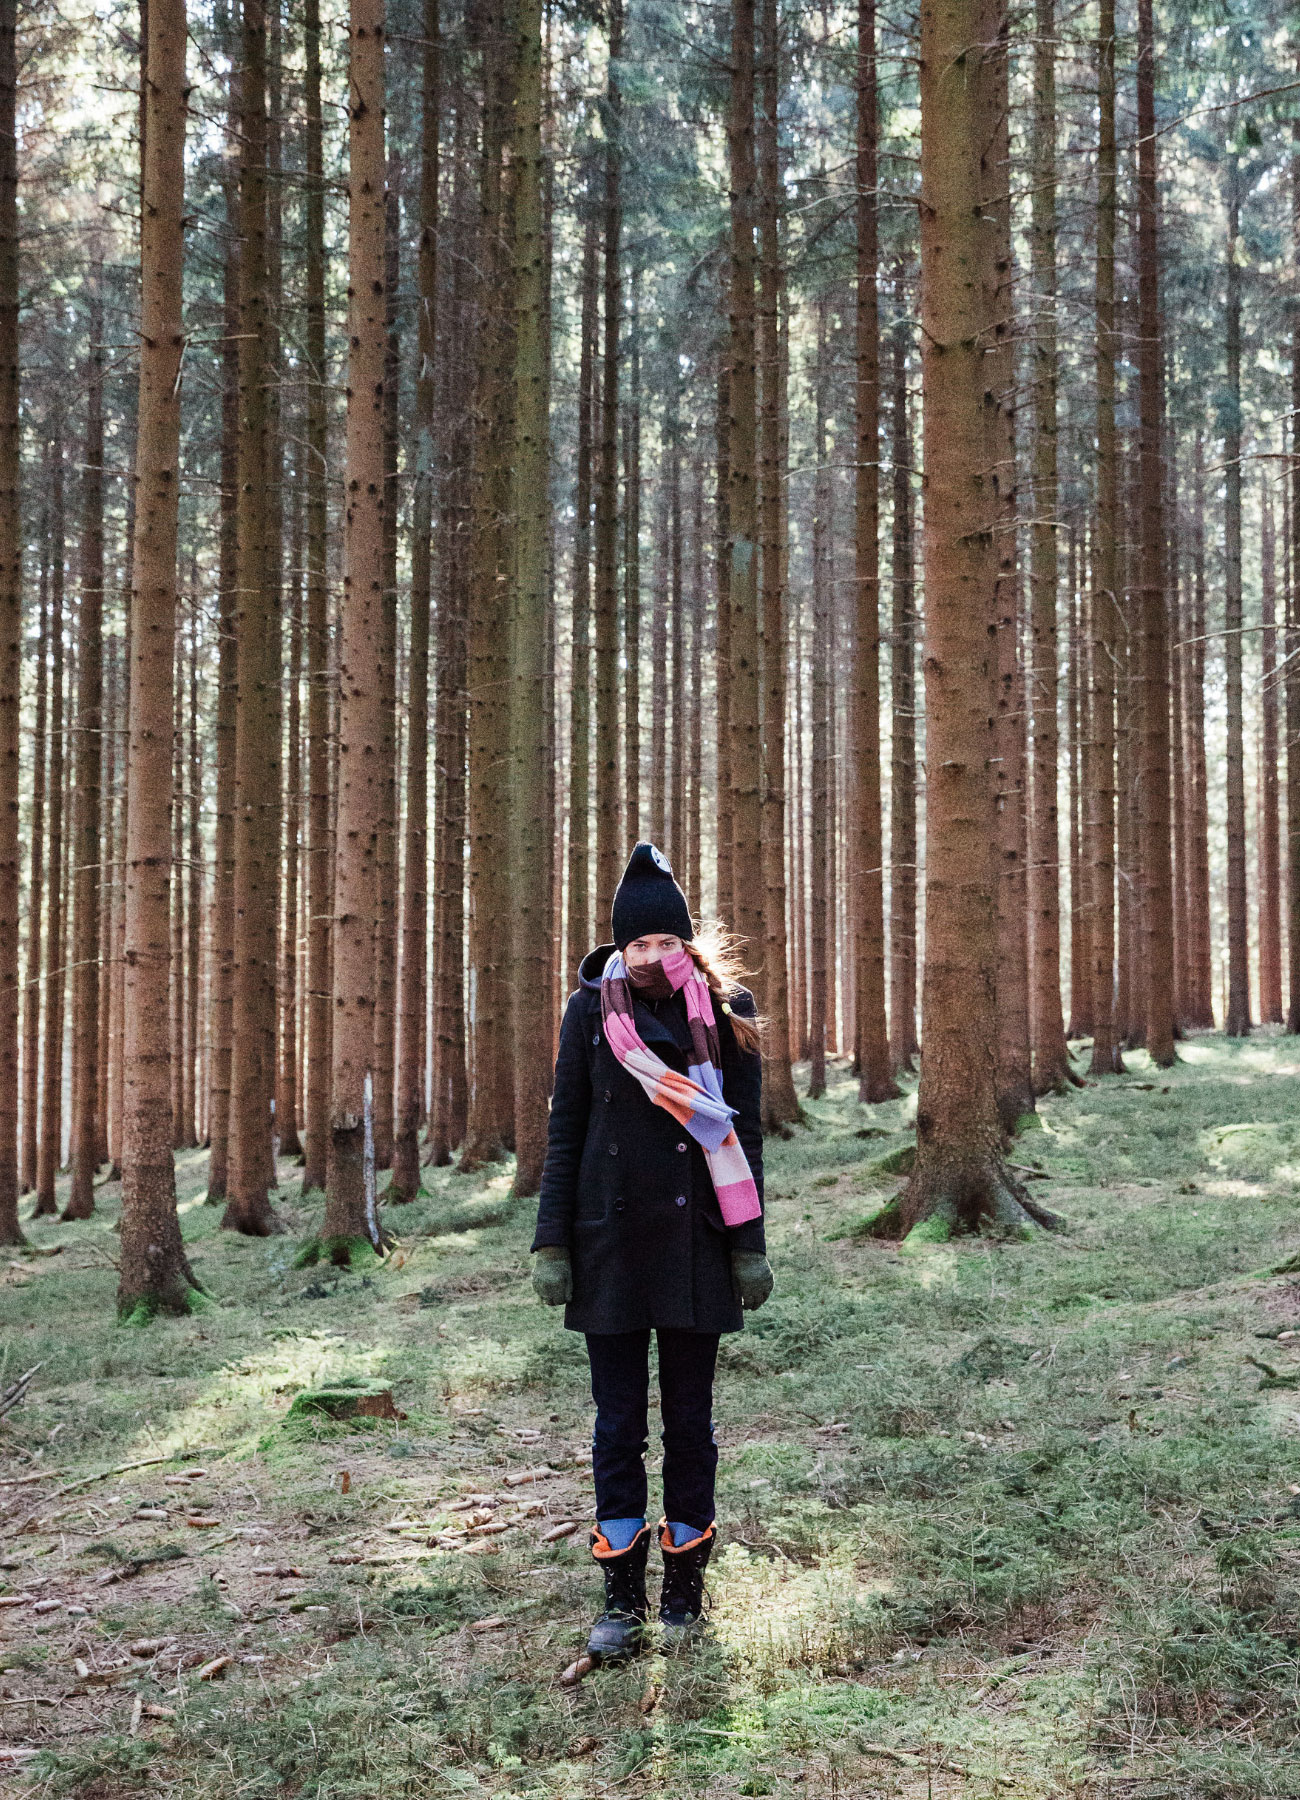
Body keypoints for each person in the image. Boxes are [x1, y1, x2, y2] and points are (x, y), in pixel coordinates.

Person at [531, 842, 773, 1663]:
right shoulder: (587, 1012)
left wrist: (751, 1246)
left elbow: (748, 1137)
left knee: (691, 1425)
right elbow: (565, 1130)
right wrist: (550, 1240)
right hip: (609, 1243)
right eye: (638, 945)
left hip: (696, 1245)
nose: (652, 957)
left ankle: (686, 1593)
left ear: (687, 942)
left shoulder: (727, 1009)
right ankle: (620, 1598)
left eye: (666, 942)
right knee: (616, 1425)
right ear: (619, 949)